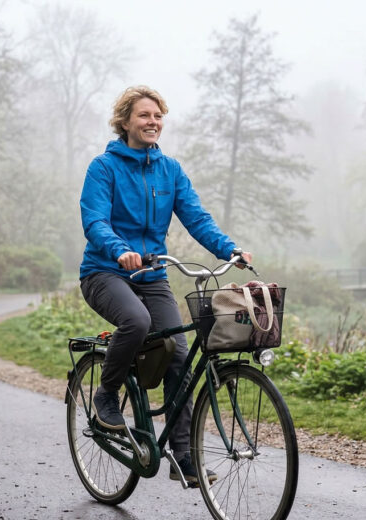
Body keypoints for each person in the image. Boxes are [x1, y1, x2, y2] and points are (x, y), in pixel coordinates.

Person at [78, 85, 251, 486]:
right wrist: (119, 250)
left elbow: (197, 217)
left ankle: (184, 455)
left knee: (179, 357)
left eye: (158, 116)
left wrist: (230, 249)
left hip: (152, 275)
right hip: (105, 272)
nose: (153, 122)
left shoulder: (169, 170)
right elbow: (95, 221)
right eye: (144, 115)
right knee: (136, 322)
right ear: (124, 121)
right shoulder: (103, 168)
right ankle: (106, 395)